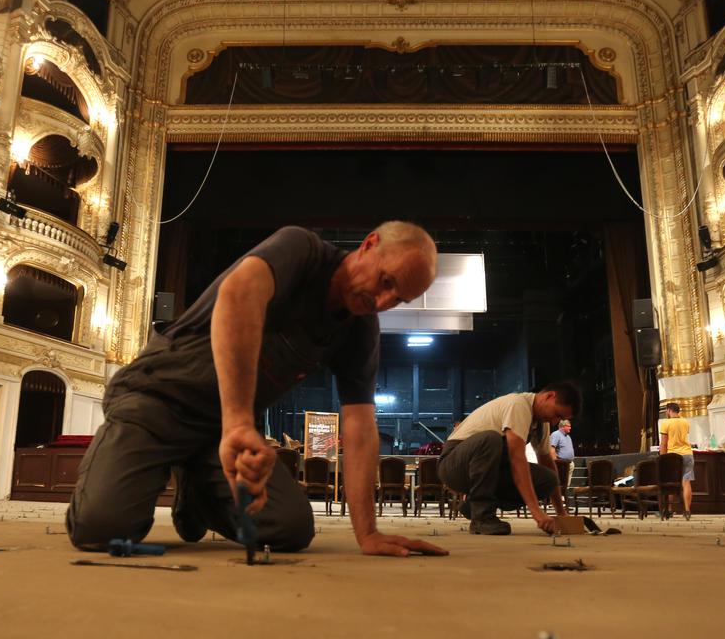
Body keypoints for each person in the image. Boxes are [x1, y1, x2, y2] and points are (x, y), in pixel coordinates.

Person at [67, 222, 448, 558]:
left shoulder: (359, 328)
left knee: (288, 530)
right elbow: (239, 294)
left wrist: (368, 533)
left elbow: (361, 428)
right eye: (386, 281)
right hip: (155, 400)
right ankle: (156, 468)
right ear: (369, 244)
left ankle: (198, 488)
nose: (382, 302)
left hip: (219, 431)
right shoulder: (303, 249)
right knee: (102, 529)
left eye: (398, 299)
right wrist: (238, 424)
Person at [437, 383, 581, 535]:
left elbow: (547, 463)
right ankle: (482, 517)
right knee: (491, 439)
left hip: (487, 469)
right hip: (454, 465)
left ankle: (474, 505)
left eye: (560, 419)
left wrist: (561, 513)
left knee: (548, 479)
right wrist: (537, 513)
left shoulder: (541, 423)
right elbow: (517, 460)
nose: (554, 422)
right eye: (557, 414)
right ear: (549, 396)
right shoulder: (519, 405)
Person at [658, 402, 694, 519]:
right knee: (686, 482)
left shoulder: (666, 423)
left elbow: (664, 442)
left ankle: (669, 510)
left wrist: (662, 458)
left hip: (673, 455)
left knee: (671, 484)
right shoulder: (685, 422)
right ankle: (687, 510)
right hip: (688, 454)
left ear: (668, 410)